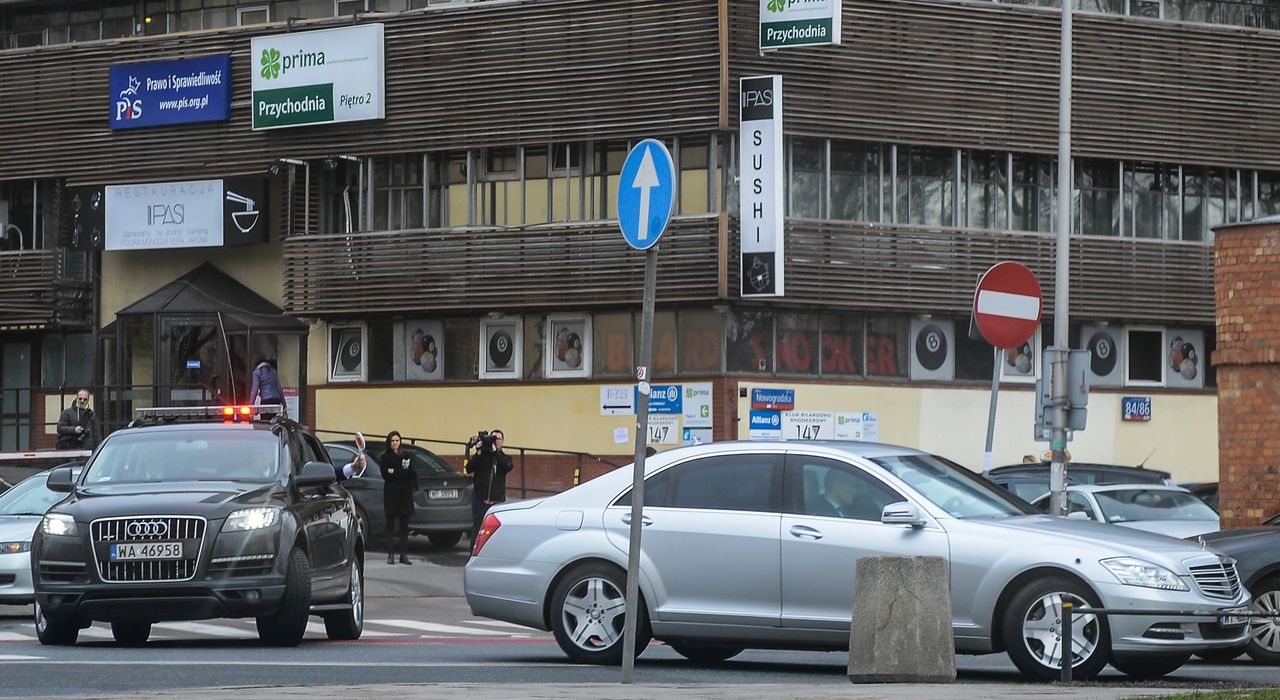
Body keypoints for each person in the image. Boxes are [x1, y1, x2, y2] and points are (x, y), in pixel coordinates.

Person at [464, 429, 514, 549]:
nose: (495, 441)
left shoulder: (505, 457)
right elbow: (469, 468)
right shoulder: (482, 456)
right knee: (477, 530)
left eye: (498, 439)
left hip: (497, 501)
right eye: (493, 438)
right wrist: (479, 452)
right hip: (480, 500)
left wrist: (495, 451)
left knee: (495, 532)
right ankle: (473, 555)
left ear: (503, 442)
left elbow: (507, 466)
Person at [378, 431, 418, 565]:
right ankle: (390, 554)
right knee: (390, 524)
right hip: (391, 494)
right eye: (392, 441)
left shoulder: (406, 455)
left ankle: (403, 555)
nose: (395, 443)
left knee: (404, 527)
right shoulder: (385, 457)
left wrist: (395, 471)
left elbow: (410, 472)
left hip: (405, 494)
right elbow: (385, 474)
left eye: (397, 440)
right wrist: (399, 472)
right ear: (389, 442)